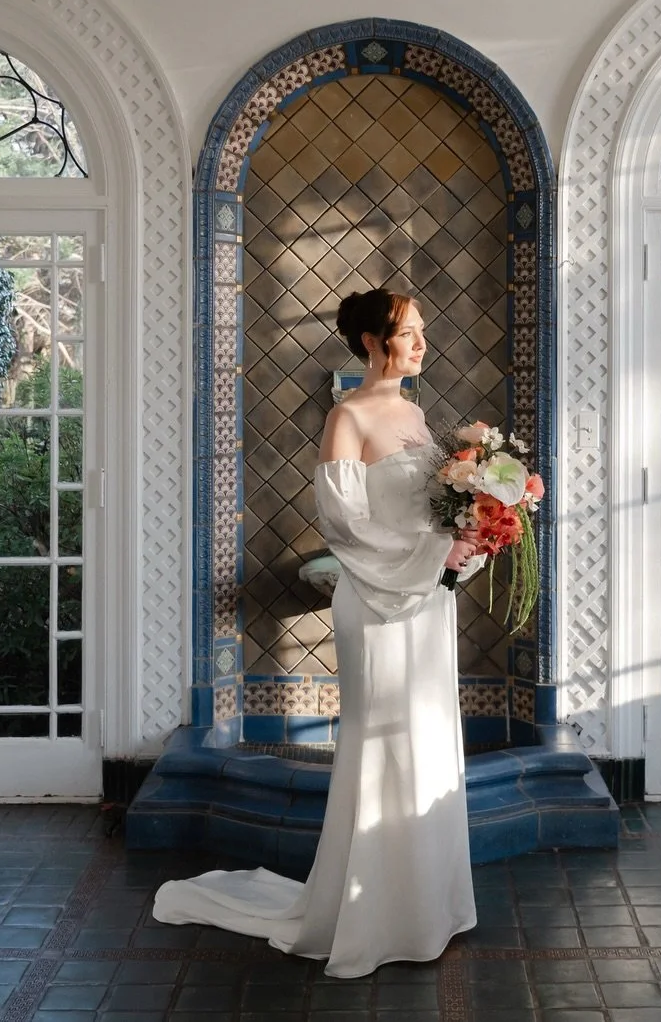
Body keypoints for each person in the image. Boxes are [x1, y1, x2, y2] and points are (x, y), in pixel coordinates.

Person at [152, 288, 483, 978]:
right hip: (378, 600)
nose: (422, 343)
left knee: (426, 740)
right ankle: (373, 915)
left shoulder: (419, 416)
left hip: (426, 600)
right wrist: (433, 553)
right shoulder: (347, 415)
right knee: (383, 746)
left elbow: (431, 512)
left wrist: (472, 532)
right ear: (371, 341)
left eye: (424, 331)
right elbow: (346, 526)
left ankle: (428, 907)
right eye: (408, 332)